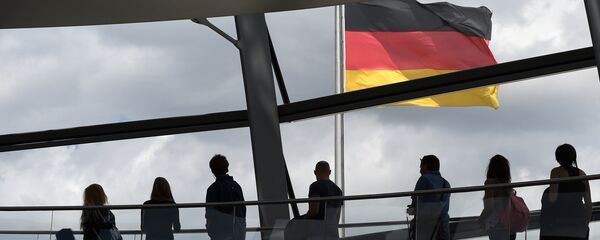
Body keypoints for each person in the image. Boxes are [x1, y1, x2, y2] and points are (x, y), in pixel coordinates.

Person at [540, 144, 591, 240]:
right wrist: (585, 223)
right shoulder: (582, 174)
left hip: (558, 224)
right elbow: (588, 204)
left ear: (558, 158)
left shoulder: (556, 172)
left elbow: (552, 198)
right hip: (578, 224)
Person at [408, 155, 450, 240]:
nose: (420, 171)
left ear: (426, 166)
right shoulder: (446, 184)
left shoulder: (424, 179)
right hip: (443, 228)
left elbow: (416, 204)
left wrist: (411, 209)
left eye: (421, 167)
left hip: (426, 230)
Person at [205, 154, 246, 240]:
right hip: (239, 232)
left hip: (221, 233)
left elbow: (210, 214)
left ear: (213, 170)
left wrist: (210, 230)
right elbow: (243, 210)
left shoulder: (213, 189)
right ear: (227, 168)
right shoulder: (237, 187)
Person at [478, 155, 516, 240]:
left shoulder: (490, 183)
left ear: (491, 168)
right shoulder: (508, 185)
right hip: (510, 226)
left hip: (497, 226)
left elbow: (489, 207)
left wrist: (480, 220)